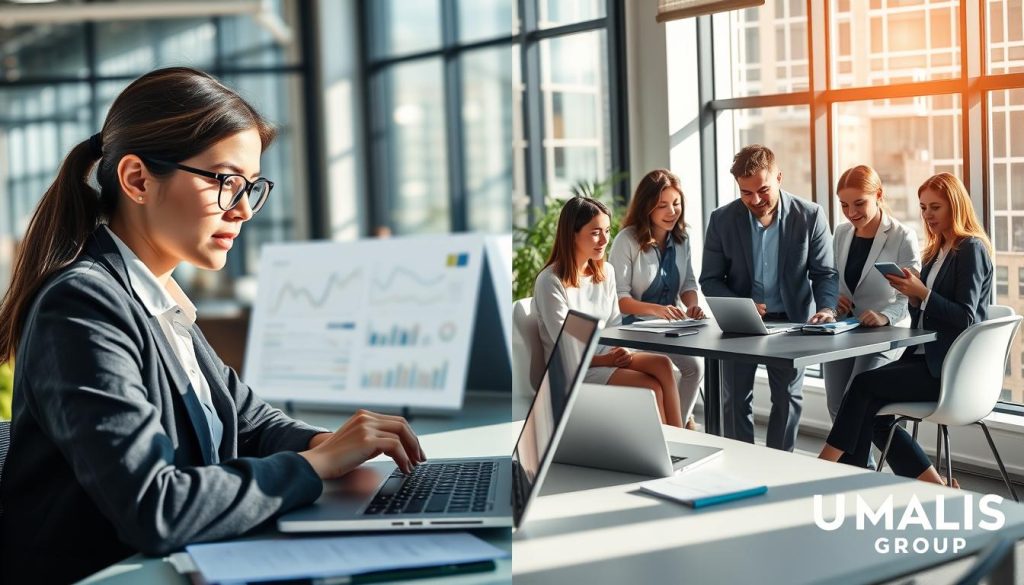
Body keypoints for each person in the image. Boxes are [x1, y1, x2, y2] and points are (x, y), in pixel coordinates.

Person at [0, 67, 424, 584]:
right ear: (137, 180)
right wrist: (317, 466)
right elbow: (155, 506)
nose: (243, 210)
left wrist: (329, 443)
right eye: (225, 182)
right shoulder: (82, 305)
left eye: (250, 187)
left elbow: (247, 422)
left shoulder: (156, 300)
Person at [819, 173, 992, 485]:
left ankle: (826, 466)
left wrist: (922, 293)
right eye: (923, 207)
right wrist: (913, 296)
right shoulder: (937, 250)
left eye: (935, 207)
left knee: (862, 386)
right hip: (925, 358)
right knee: (872, 412)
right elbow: (924, 314)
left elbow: (966, 317)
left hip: (950, 369)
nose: (928, 215)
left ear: (955, 206)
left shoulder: (970, 248)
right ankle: (927, 485)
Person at [700, 145, 839, 451]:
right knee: (735, 400)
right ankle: (741, 464)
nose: (755, 200)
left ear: (778, 177)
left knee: (787, 398)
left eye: (763, 190)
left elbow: (825, 273)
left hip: (793, 323)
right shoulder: (722, 220)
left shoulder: (810, 215)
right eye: (746, 193)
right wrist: (742, 305)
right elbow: (709, 279)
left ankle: (780, 466)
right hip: (741, 325)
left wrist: (827, 309)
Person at [533, 196, 684, 427]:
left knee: (663, 365)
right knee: (650, 387)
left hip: (608, 356)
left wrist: (621, 350)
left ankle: (680, 439)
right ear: (572, 234)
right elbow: (566, 349)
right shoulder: (550, 281)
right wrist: (607, 359)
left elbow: (614, 325)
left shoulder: (606, 272)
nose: (604, 240)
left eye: (606, 231)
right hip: (573, 369)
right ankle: (668, 445)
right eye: (595, 233)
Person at [607, 169, 705, 430]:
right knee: (664, 372)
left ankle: (676, 428)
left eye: (676, 203)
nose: (672, 211)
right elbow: (619, 299)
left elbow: (688, 283)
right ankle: (677, 429)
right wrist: (658, 310)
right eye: (662, 205)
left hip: (670, 328)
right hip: (633, 328)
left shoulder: (682, 238)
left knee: (696, 367)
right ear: (647, 206)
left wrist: (693, 305)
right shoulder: (626, 240)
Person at [823, 165, 921, 425]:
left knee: (857, 402)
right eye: (844, 205)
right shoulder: (841, 233)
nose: (851, 213)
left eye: (859, 203)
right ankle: (855, 453)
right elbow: (833, 279)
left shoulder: (903, 237)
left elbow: (910, 297)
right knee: (836, 405)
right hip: (845, 329)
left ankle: (872, 454)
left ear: (878, 195)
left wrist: (884, 316)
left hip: (884, 335)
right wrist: (833, 300)